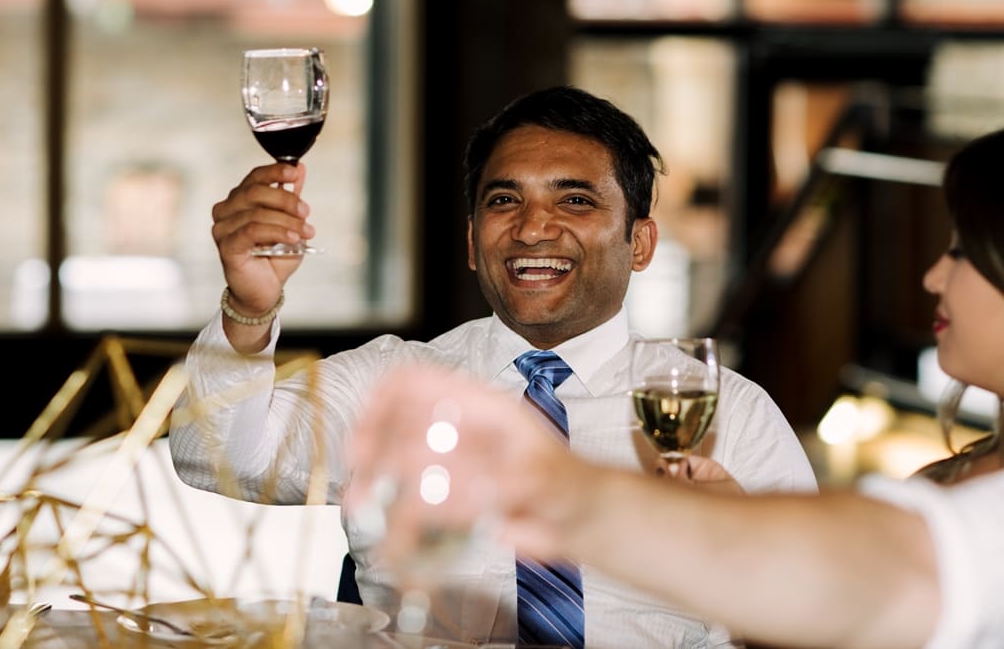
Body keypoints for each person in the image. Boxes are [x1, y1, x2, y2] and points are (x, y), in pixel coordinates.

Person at [169, 85, 817, 647]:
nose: (533, 228)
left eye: (575, 202)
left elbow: (817, 621)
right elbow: (219, 455)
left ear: (640, 242)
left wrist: (745, 554)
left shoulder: (723, 410)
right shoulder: (394, 384)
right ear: (474, 242)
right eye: (504, 201)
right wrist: (249, 306)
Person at [346, 127, 1004, 649]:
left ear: (641, 242)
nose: (931, 278)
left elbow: (889, 581)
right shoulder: (956, 479)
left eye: (962, 253)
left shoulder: (738, 411)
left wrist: (553, 489)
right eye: (504, 200)